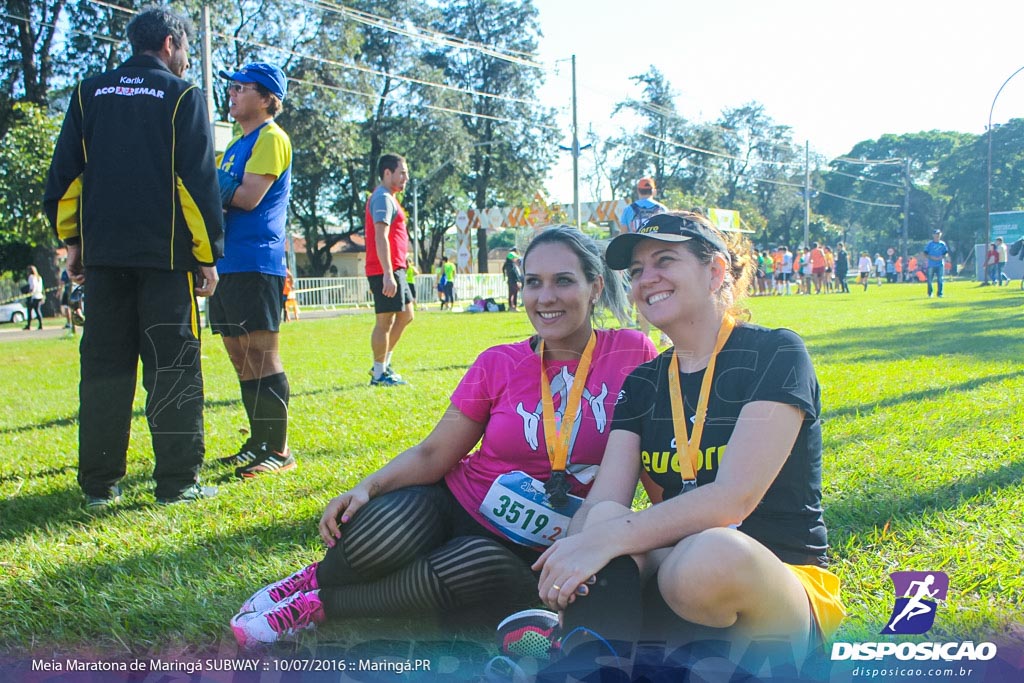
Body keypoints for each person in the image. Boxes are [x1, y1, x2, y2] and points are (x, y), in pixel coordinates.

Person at [228, 226, 659, 648]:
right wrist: (368, 486)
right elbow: (435, 453)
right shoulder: (498, 362)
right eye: (533, 283)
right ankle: (312, 578)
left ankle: (319, 605)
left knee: (474, 564)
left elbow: (651, 458)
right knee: (386, 527)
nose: (545, 297)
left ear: (595, 287)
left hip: (538, 548)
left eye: (563, 281)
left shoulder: (633, 352)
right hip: (459, 503)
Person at [520, 211, 845, 667]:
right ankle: (589, 662)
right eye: (636, 272)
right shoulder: (643, 382)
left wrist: (607, 540)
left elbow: (732, 500)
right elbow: (602, 502)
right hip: (675, 570)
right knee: (606, 517)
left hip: (771, 582)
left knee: (707, 554)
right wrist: (572, 560)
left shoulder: (775, 352)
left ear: (715, 272)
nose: (646, 279)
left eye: (665, 260)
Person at [43, 6, 222, 506]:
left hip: (104, 261)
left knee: (104, 368)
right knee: (175, 368)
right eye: (185, 48)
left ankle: (100, 485)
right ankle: (179, 483)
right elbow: (195, 183)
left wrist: (75, 243)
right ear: (170, 43)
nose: (186, 60)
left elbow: (65, 179)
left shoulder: (88, 92)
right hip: (166, 263)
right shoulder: (183, 95)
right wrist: (207, 256)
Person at [208, 62, 295, 478]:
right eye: (233, 87)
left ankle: (278, 451)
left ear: (265, 97)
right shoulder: (234, 146)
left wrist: (201, 179)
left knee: (263, 355)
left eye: (241, 88)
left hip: (257, 262)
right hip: (228, 263)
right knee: (241, 357)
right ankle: (259, 442)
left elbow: (247, 197)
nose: (233, 93)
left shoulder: (270, 138)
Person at [366, 154, 413, 386]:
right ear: (387, 173)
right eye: (402, 172)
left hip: (396, 267)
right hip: (385, 270)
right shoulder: (382, 198)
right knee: (384, 322)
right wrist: (387, 273)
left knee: (406, 315)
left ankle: (384, 365)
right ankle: (378, 374)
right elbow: (380, 235)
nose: (406, 177)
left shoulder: (391, 199)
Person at [923, 229, 948, 298]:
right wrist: (932, 257)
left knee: (940, 279)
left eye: (938, 234)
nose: (937, 236)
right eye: (936, 234)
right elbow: (925, 253)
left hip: (940, 264)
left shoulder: (942, 244)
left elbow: (945, 253)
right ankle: (930, 293)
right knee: (930, 280)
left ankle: (940, 293)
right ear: (933, 235)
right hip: (931, 264)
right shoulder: (930, 244)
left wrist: (942, 257)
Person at [23, 265, 44, 330]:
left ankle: (29, 325)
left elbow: (33, 286)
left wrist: (30, 292)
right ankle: (40, 324)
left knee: (30, 311)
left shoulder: (31, 277)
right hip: (39, 295)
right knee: (37, 310)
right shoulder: (39, 277)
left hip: (33, 296)